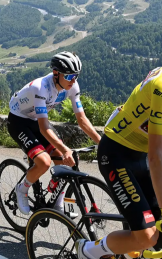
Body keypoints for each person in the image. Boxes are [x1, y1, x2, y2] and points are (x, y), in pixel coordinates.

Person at [76, 40, 162, 259]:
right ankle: (89, 251)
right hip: (117, 152)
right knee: (148, 235)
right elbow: (157, 154)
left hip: (142, 155)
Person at [8, 51, 101, 215]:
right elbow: (44, 127)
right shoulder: (41, 88)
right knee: (44, 162)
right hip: (19, 121)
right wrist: (65, 149)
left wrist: (102, 142)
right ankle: (22, 189)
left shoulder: (72, 86)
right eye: (69, 76)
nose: (73, 81)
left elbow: (82, 119)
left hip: (36, 120)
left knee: (65, 162)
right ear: (56, 74)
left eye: (76, 76)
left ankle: (58, 203)